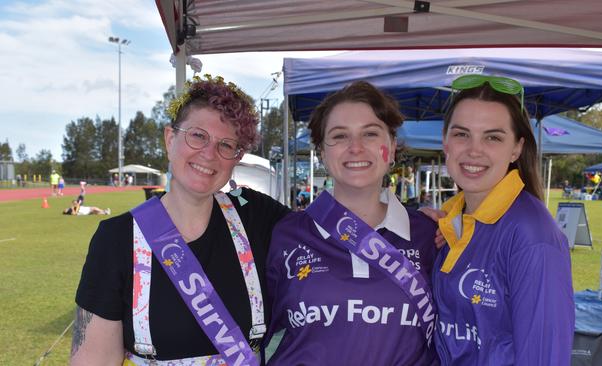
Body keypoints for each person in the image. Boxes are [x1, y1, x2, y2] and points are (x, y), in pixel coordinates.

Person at [70, 75, 290, 365]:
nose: (209, 154)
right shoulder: (117, 239)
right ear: (170, 138)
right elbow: (93, 359)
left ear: (236, 158)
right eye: (198, 135)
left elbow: (330, 241)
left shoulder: (257, 217)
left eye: (226, 145)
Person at [266, 81, 438, 365]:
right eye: (340, 136)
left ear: (392, 147)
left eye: (370, 133)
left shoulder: (430, 234)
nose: (355, 148)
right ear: (322, 152)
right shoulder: (287, 233)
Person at [433, 75, 574, 365]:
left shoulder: (533, 237)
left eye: (492, 137)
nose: (474, 150)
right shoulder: (449, 220)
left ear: (517, 149)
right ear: (445, 141)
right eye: (462, 134)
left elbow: (543, 357)